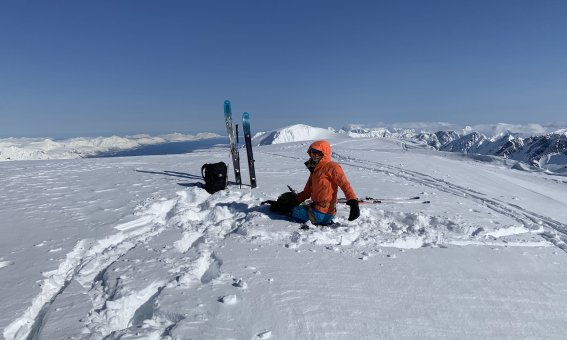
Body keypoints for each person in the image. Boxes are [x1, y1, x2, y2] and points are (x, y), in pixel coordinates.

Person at [291, 140, 360, 225]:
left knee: (291, 211)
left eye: (318, 153)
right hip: (316, 209)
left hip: (322, 213)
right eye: (313, 152)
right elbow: (307, 191)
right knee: (291, 207)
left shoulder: (332, 167)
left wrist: (354, 203)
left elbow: (344, 184)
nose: (315, 155)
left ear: (325, 153)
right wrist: (295, 201)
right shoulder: (315, 170)